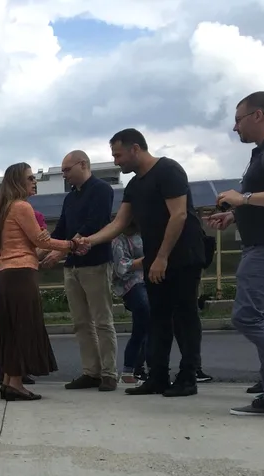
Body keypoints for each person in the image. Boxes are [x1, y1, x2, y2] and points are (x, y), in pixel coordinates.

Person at [77, 128, 206, 398]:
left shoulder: (168, 170)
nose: (116, 162)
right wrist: (89, 240)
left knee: (184, 316)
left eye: (118, 155)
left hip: (182, 256)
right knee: (157, 317)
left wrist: (162, 257)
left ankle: (188, 377)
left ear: (135, 148)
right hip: (155, 260)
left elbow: (179, 215)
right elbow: (119, 223)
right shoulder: (135, 185)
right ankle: (157, 377)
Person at [205, 91, 264, 416]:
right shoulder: (263, 152)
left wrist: (243, 198)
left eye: (238, 119)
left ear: (258, 115)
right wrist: (235, 213)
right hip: (263, 243)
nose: (235, 128)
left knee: (247, 317)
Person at [0, 162, 78, 400]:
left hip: (7, 273)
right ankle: (16, 383)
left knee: (10, 328)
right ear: (18, 182)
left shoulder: (5, 208)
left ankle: (9, 381)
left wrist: (44, 240)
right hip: (21, 273)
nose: (34, 181)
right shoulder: (22, 206)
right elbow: (41, 241)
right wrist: (71, 245)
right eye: (29, 178)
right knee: (23, 327)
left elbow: (28, 241)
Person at [44, 150, 118, 391]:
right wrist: (43, 249)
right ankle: (91, 371)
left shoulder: (101, 190)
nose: (64, 175)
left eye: (67, 170)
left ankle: (109, 372)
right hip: (73, 266)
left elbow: (95, 223)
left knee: (102, 320)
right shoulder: (70, 198)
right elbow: (61, 229)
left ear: (83, 164)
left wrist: (61, 251)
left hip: (96, 263)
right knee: (81, 322)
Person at [0, 213, 40, 387]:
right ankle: (2, 368)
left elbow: (42, 242)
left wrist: (27, 258)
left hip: (21, 274)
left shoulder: (34, 216)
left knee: (23, 322)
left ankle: (20, 369)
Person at [111, 226, 149, 384]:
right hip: (131, 284)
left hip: (151, 279)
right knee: (144, 314)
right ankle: (132, 368)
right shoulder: (118, 240)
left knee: (147, 326)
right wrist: (144, 262)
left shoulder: (145, 233)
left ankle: (135, 368)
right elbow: (121, 267)